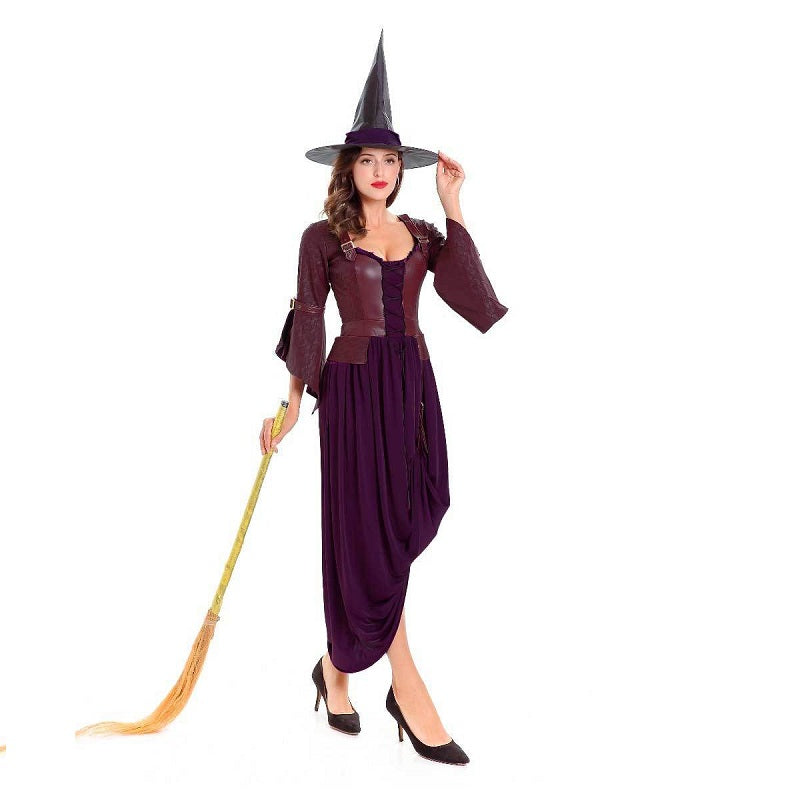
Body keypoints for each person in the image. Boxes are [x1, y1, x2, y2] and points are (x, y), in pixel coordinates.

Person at [261, 31, 508, 766]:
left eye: (390, 160)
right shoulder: (322, 238)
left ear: (402, 170)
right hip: (354, 390)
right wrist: (289, 405)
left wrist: (454, 204)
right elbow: (310, 318)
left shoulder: (422, 233)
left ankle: (335, 668)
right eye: (367, 159)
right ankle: (407, 685)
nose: (380, 170)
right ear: (349, 168)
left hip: (413, 389)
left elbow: (471, 295)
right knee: (368, 536)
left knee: (416, 512)